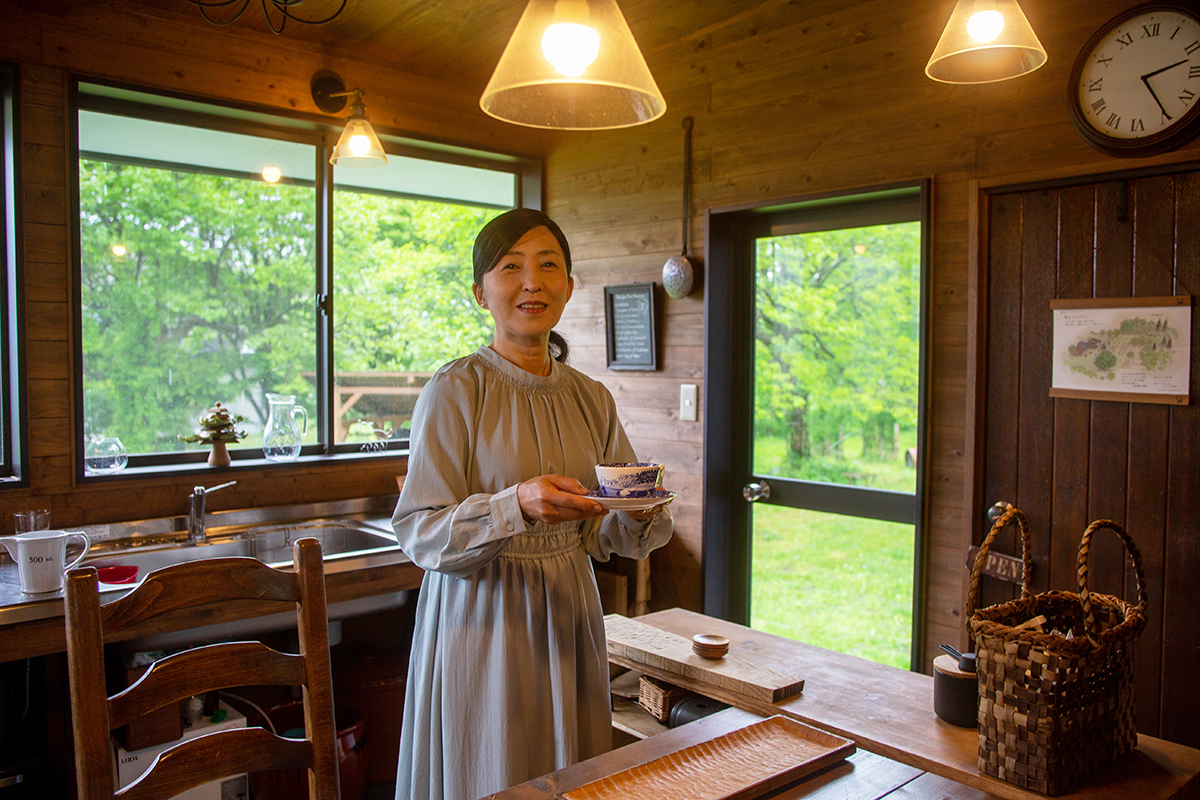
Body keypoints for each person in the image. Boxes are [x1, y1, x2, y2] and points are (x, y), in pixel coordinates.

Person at [392, 208, 674, 800]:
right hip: (481, 619)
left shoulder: (591, 398)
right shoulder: (455, 390)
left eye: (549, 266)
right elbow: (420, 533)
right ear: (480, 292)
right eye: (510, 267)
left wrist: (642, 512)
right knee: (491, 770)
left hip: (570, 611)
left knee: (571, 774)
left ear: (569, 287)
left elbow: (607, 534)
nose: (532, 283)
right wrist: (514, 505)